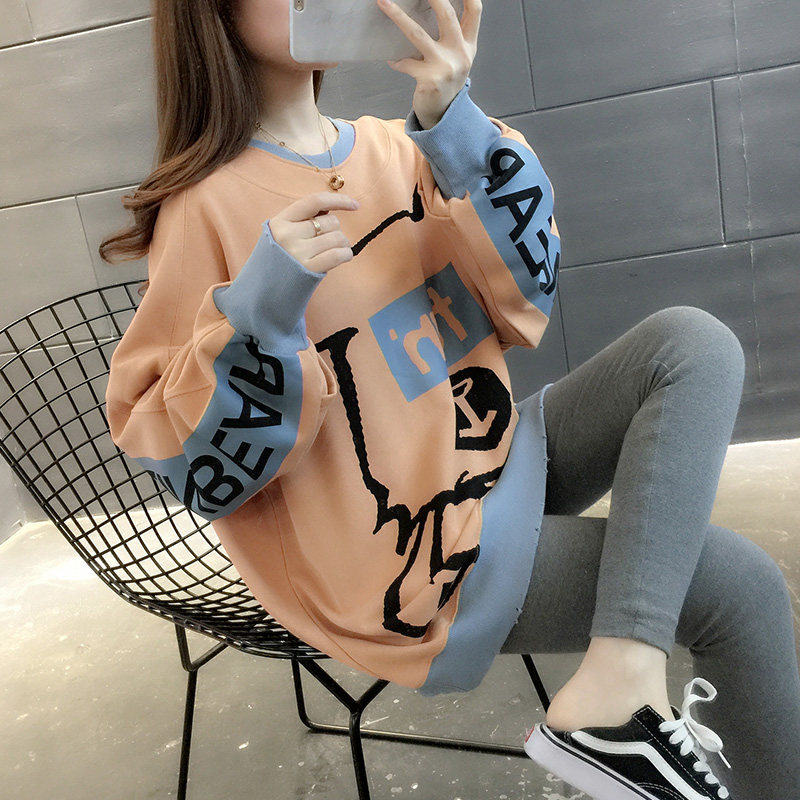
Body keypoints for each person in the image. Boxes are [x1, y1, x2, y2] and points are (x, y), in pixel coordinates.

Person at [100, 1, 800, 798]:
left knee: (692, 343)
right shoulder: (202, 208)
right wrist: (259, 312)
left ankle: (619, 679)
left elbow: (523, 291)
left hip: (491, 463)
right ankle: (620, 701)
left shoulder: (400, 149)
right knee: (737, 586)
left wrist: (454, 125)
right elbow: (199, 471)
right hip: (403, 563)